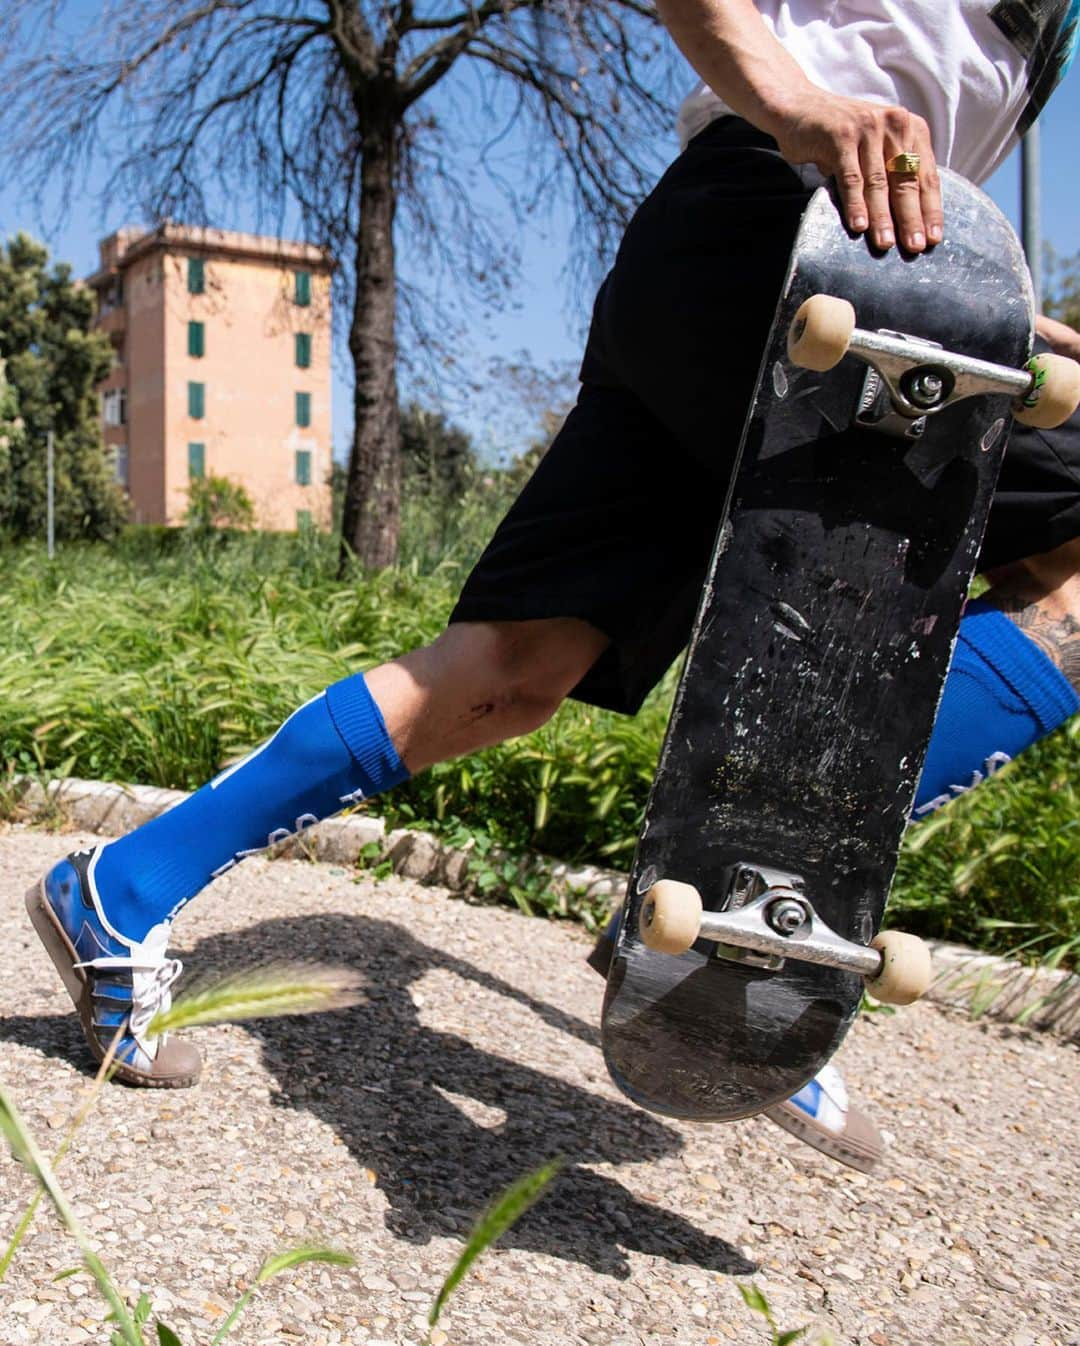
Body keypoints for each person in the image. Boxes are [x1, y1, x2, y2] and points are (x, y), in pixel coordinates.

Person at [28, 1, 1079, 1174]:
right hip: (787, 247)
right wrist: (793, 104)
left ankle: (120, 887)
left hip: (767, 262)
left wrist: (993, 303)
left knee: (513, 671)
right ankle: (746, 907)